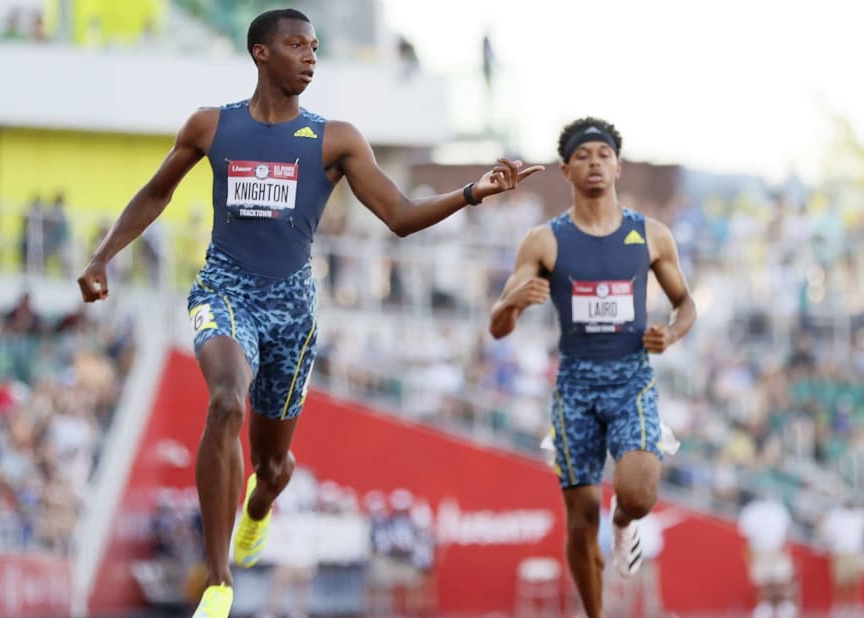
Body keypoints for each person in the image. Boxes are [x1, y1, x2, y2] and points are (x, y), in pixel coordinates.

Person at [76, 9, 543, 617]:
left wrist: (473, 191)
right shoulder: (212, 126)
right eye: (297, 44)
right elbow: (157, 191)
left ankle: (260, 503)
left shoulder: (335, 138)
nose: (311, 56)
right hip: (224, 290)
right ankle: (218, 581)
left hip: (291, 311)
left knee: (272, 464)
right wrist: (102, 257)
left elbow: (399, 216)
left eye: (316, 47)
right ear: (261, 53)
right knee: (223, 401)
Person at [488, 117, 696, 618]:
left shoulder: (650, 235)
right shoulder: (545, 241)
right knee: (580, 522)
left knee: (639, 494)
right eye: (583, 156)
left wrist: (671, 332)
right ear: (566, 171)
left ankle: (623, 525)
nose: (595, 162)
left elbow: (686, 303)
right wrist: (513, 301)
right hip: (575, 390)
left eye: (604, 154)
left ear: (618, 165)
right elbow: (498, 327)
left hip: (632, 381)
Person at [738, 494, 796, 618]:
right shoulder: (751, 510)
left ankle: (783, 606)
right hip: (760, 549)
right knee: (763, 581)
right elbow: (746, 533)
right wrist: (750, 551)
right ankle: (765, 606)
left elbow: (786, 530)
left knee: (781, 579)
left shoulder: (779, 509)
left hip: (777, 548)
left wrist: (784, 547)